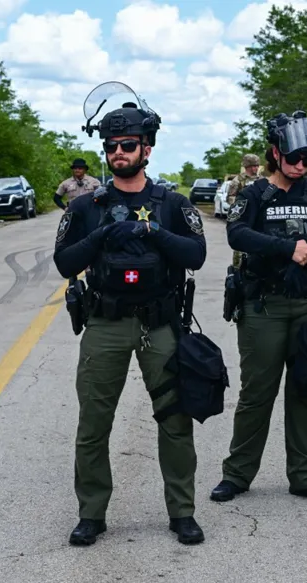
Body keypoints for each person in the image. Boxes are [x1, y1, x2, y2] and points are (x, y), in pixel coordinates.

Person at [54, 97, 208, 546]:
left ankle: (182, 511)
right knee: (94, 424)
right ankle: (92, 514)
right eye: (111, 146)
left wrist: (153, 232)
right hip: (105, 324)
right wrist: (101, 235)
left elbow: (196, 254)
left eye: (127, 145)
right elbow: (65, 263)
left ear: (147, 149)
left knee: (175, 420)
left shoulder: (171, 204)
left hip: (159, 324)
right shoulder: (86, 207)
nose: (118, 153)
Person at [211, 107, 307, 505]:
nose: (301, 165)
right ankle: (237, 475)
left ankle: (306, 476)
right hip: (265, 306)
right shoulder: (255, 194)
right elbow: (237, 235)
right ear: (275, 152)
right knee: (257, 393)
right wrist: (287, 248)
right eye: (294, 158)